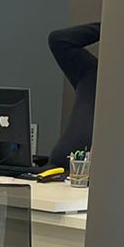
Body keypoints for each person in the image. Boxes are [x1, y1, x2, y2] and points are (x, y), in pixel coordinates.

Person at [47, 21, 100, 168]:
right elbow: (59, 40)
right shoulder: (92, 72)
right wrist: (111, 27)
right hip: (55, 171)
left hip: (92, 177)